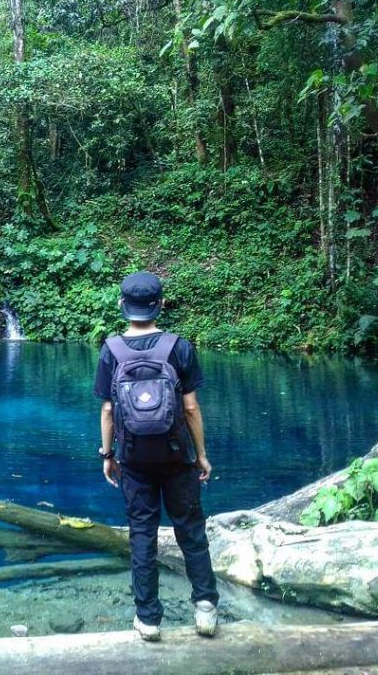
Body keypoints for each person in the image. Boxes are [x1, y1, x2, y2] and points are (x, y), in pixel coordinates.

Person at [94, 271, 219, 641]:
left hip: (133, 459)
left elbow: (106, 411)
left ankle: (148, 619)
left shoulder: (111, 349)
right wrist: (201, 455)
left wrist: (107, 454)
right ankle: (206, 608)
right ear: (160, 305)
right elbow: (192, 408)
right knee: (191, 531)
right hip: (178, 456)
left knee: (142, 535)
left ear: (122, 306)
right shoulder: (179, 347)